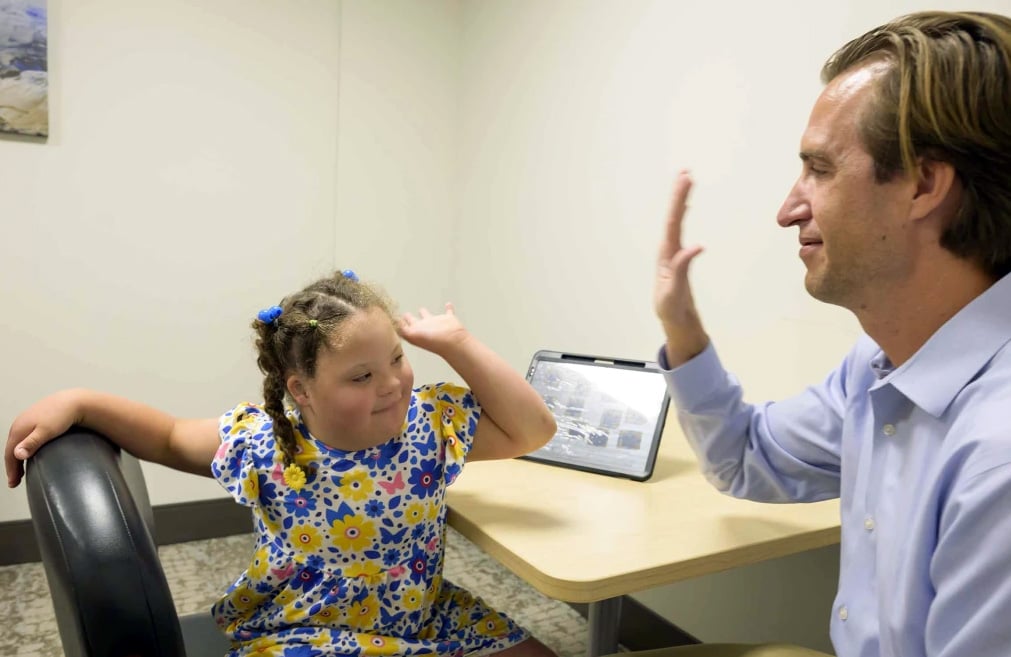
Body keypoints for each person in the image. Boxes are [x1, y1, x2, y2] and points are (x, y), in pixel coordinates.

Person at [638, 10, 1011, 657]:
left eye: (819, 168)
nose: (788, 209)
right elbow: (745, 458)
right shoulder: (881, 365)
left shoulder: (995, 456)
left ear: (924, 184)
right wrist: (680, 323)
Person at [5, 269, 559, 657]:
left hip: (425, 615)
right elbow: (170, 437)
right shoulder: (266, 443)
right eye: (361, 376)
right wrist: (80, 401)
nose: (392, 385)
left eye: (396, 359)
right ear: (302, 390)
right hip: (306, 634)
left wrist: (457, 342)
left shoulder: (429, 423)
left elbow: (533, 430)